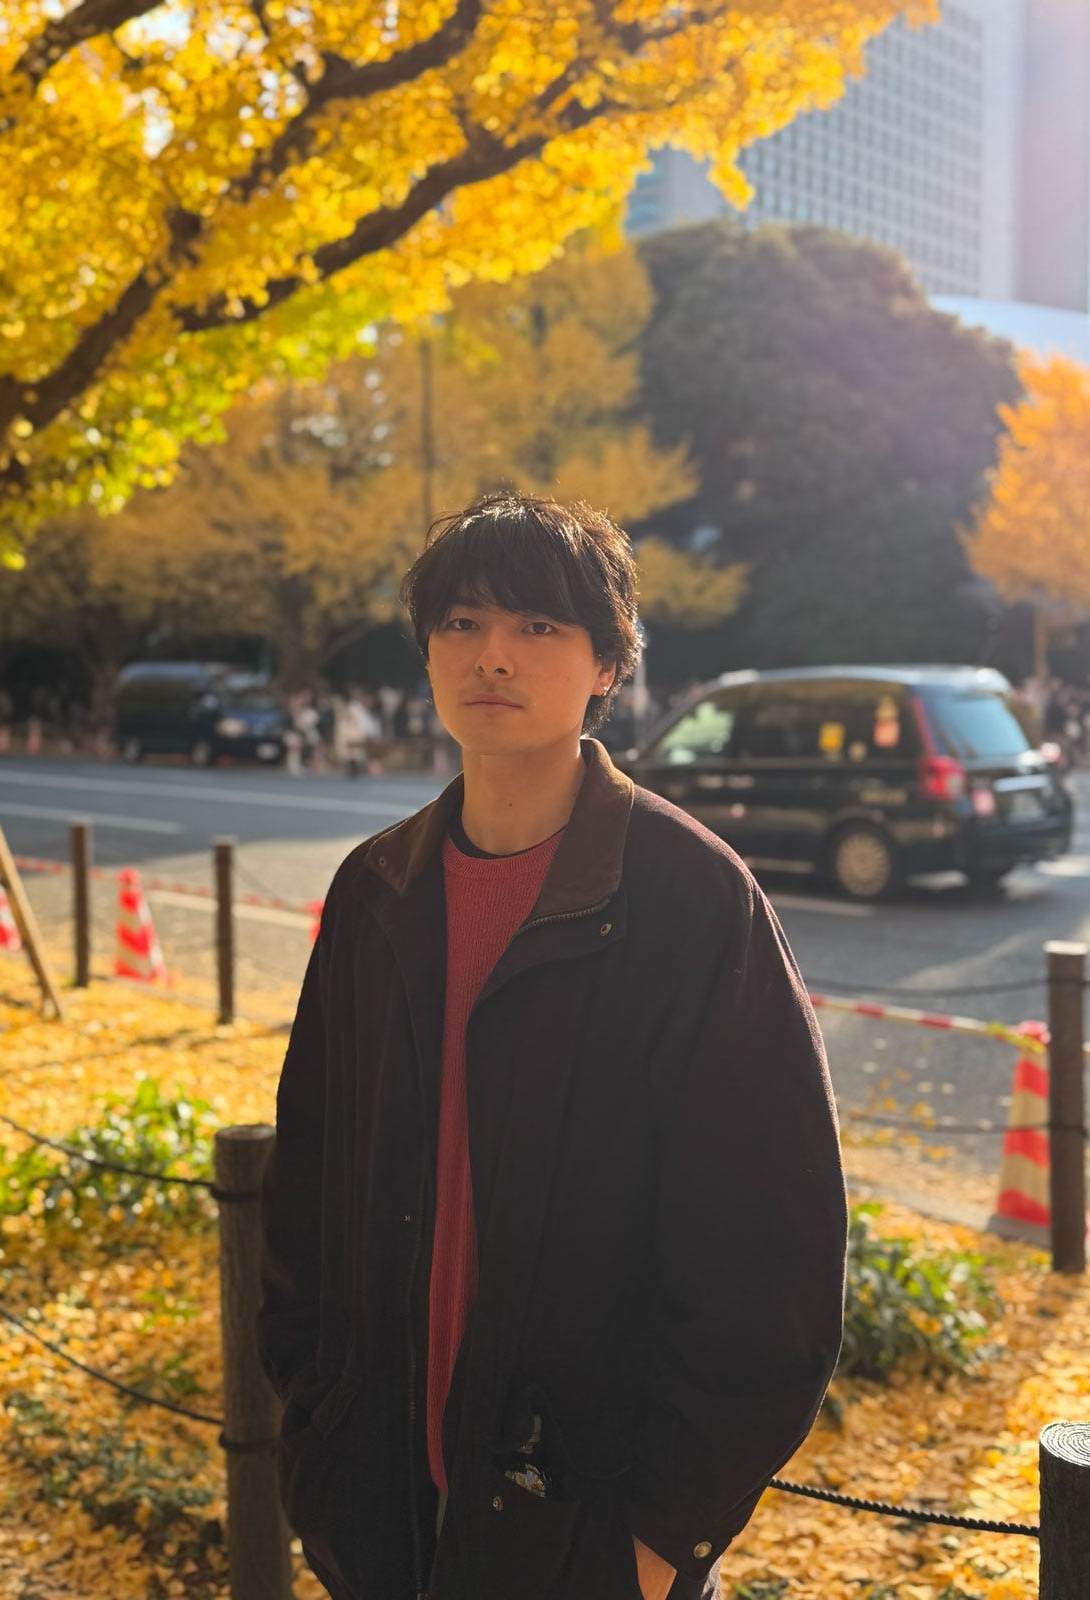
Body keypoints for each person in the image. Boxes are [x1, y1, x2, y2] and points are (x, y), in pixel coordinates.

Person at [257, 492, 847, 1600]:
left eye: (538, 625)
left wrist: (660, 1540)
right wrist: (316, 1425)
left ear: (606, 664)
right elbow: (306, 1183)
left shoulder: (690, 897)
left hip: (589, 1520)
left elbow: (773, 1258)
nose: (493, 655)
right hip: (378, 1500)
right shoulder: (378, 888)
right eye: (462, 622)